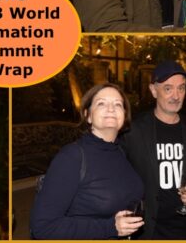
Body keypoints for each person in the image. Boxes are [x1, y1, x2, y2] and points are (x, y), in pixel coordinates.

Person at [31, 83, 144, 239]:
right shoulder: (72, 157)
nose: (111, 108)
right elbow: (43, 227)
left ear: (124, 116)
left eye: (118, 104)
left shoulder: (120, 151)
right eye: (101, 103)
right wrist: (111, 228)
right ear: (88, 115)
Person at [121, 61, 186, 239]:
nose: (176, 96)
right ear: (154, 90)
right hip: (148, 229)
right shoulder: (133, 131)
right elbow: (119, 178)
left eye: (181, 88)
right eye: (168, 89)